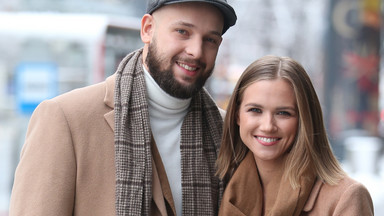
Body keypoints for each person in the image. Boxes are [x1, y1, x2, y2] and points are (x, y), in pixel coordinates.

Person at [9, 0, 237, 215]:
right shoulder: (65, 119)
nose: (196, 51)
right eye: (182, 32)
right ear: (147, 29)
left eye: (210, 40)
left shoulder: (229, 132)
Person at [216, 55, 374, 215]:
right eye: (255, 110)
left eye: (283, 113)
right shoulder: (221, 187)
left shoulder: (346, 197)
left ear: (304, 119)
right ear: (237, 115)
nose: (267, 126)